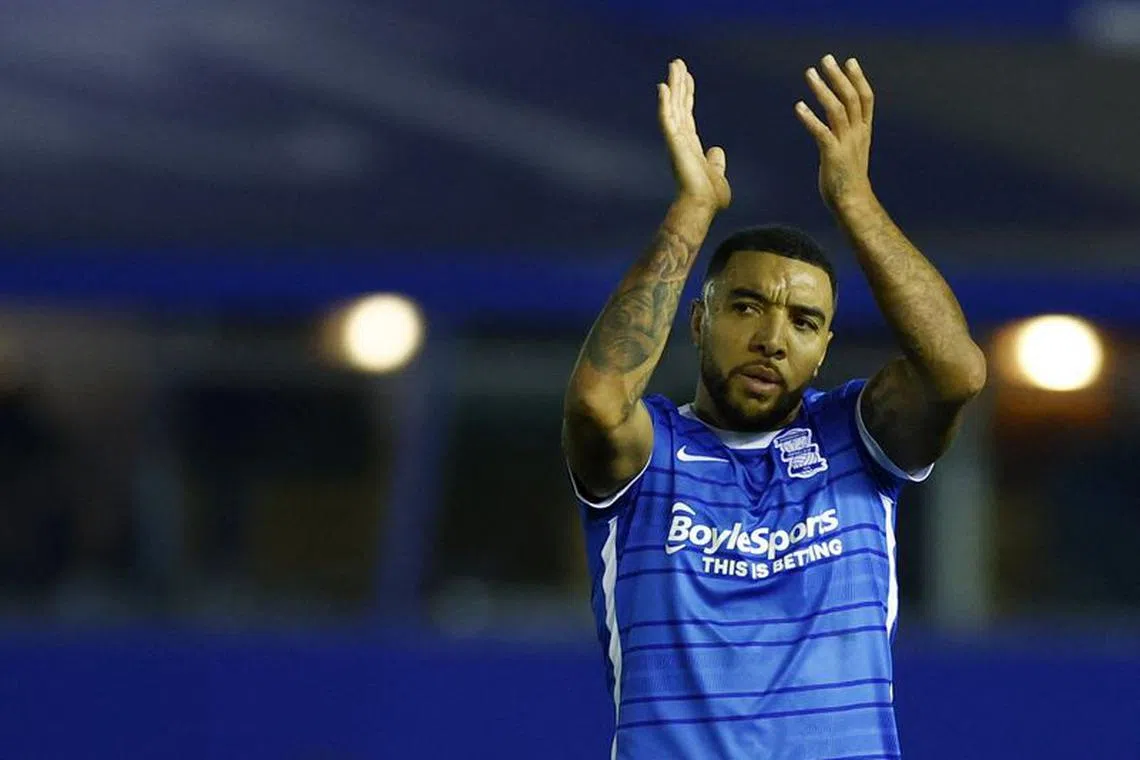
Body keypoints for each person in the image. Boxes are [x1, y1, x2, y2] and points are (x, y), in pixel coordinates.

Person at [561, 55, 987, 759]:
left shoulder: (856, 439)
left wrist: (853, 197)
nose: (770, 339)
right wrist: (694, 209)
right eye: (747, 307)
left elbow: (956, 372)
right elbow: (598, 401)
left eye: (804, 322)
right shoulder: (651, 451)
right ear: (699, 321)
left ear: (823, 350)